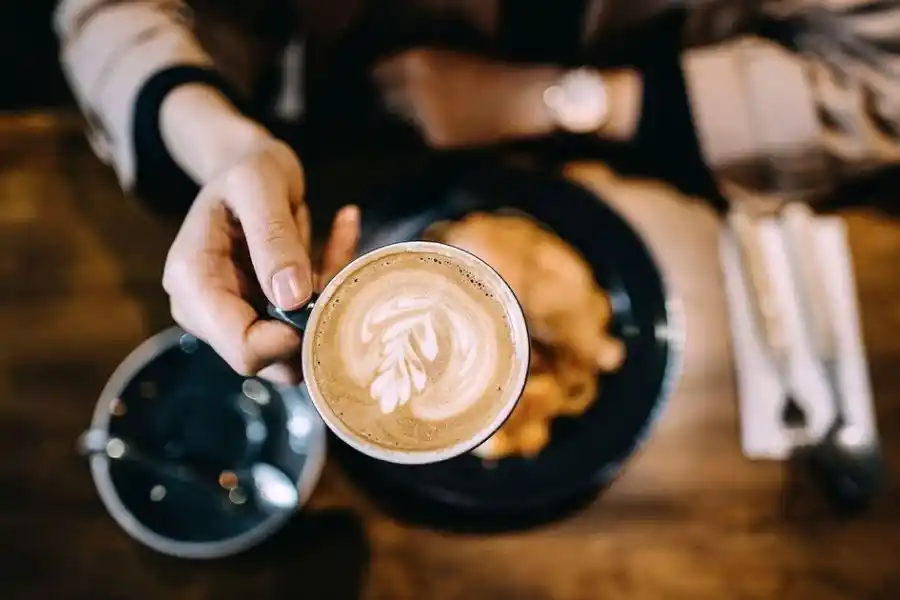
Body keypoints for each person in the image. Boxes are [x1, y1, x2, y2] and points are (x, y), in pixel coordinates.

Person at [54, 0, 900, 383]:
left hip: (621, 157)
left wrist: (564, 96)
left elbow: (884, 75)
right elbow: (107, 14)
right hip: (326, 154)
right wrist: (225, 144)